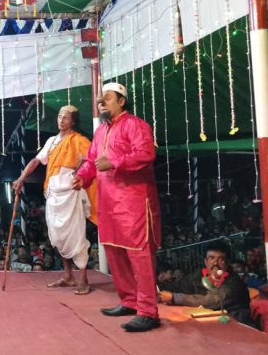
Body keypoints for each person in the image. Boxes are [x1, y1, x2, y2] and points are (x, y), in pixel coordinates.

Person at [73, 82, 162, 333]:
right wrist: (83, 176)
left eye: (108, 98)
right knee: (114, 252)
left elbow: (145, 154)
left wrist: (114, 162)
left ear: (122, 101)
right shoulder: (101, 131)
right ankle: (129, 301)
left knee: (138, 255)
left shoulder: (136, 125)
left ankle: (148, 312)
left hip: (133, 201)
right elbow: (92, 160)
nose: (101, 102)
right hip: (108, 201)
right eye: (100, 98)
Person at [13, 105, 97, 294]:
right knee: (57, 236)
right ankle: (68, 276)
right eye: (59, 116)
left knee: (75, 234)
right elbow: (36, 161)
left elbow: (91, 159)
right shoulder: (51, 141)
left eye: (65, 117)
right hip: (53, 192)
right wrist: (21, 178)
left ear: (73, 121)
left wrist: (79, 171)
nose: (61, 120)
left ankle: (83, 279)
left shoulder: (79, 140)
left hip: (71, 192)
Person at [158, 242, 253, 327]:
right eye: (211, 258)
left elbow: (211, 300)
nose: (215, 263)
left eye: (220, 259)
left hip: (236, 325)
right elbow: (179, 287)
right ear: (205, 261)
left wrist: (174, 297)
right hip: (208, 326)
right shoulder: (197, 276)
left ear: (227, 263)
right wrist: (159, 287)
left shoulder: (234, 283)